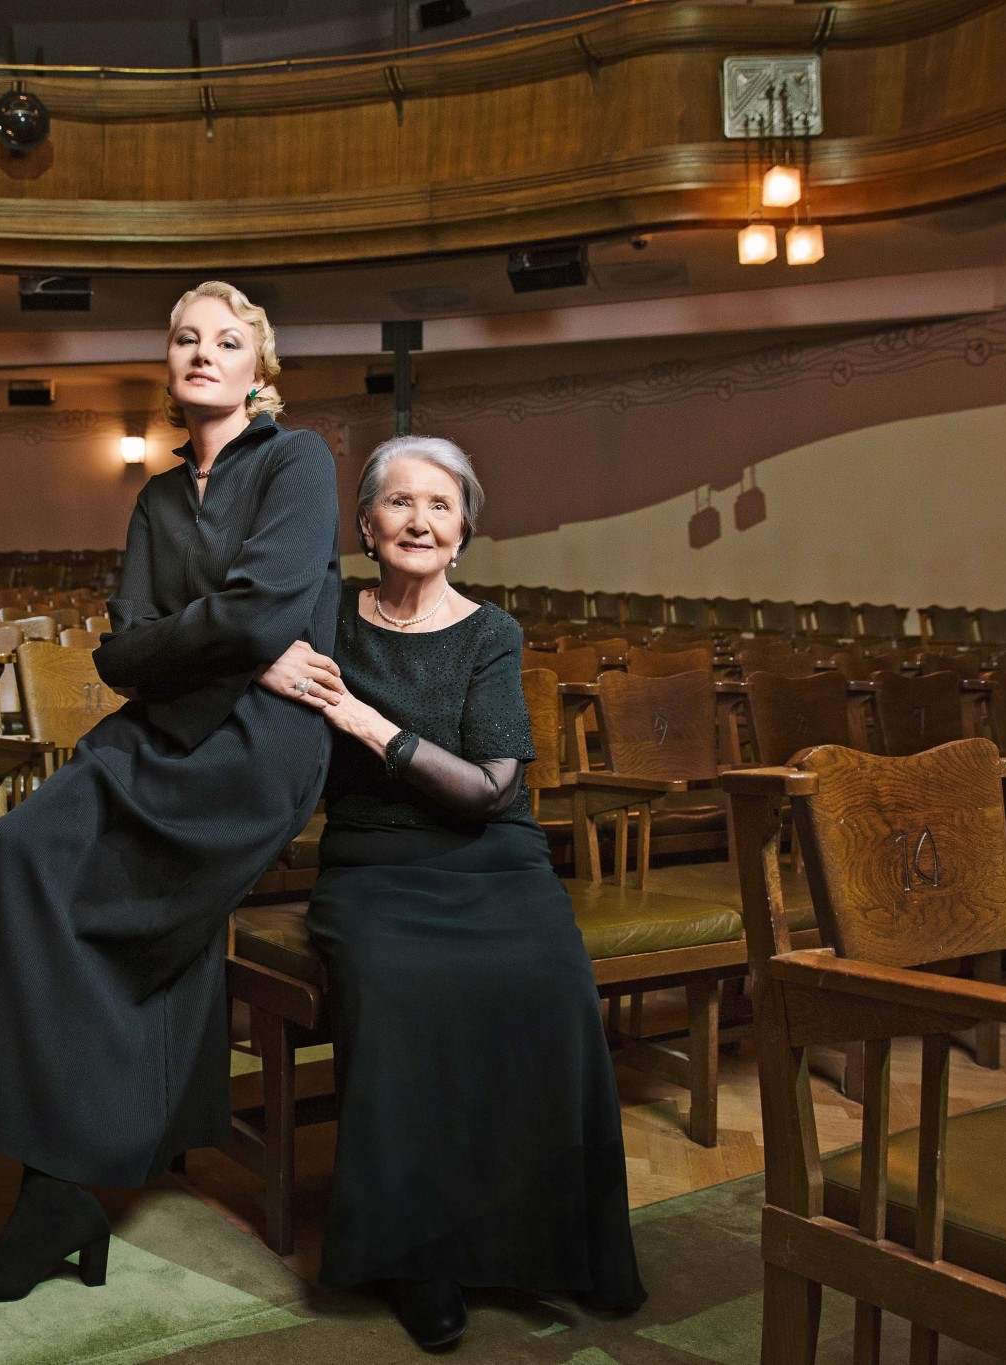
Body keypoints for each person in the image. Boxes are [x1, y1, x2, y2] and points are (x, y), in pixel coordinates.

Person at [0, 281, 344, 1305]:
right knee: (17, 852)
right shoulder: (156, 498)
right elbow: (119, 651)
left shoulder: (297, 461)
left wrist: (229, 641)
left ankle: (31, 1185)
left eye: (226, 340)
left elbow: (250, 612)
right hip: (157, 731)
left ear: (259, 370)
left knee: (90, 925)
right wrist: (241, 645)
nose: (202, 352)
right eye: (184, 338)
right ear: (167, 366)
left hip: (250, 755)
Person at [291, 435, 645, 1348]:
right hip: (374, 866)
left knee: (552, 983)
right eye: (399, 502)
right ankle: (420, 1254)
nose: (420, 520)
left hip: (492, 858)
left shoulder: (492, 633)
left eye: (440, 505)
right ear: (365, 523)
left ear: (464, 532)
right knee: (399, 988)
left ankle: (547, 1239)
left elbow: (492, 788)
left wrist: (365, 720)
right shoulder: (325, 620)